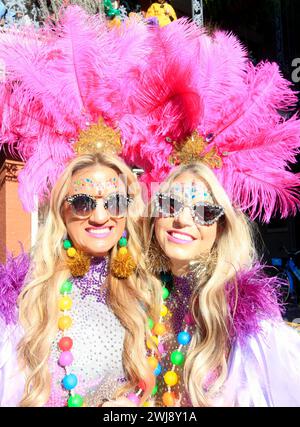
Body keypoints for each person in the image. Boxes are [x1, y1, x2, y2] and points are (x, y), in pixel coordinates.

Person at [0, 152, 160, 407]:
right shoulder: (25, 296)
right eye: (83, 202)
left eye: (115, 202)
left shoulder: (145, 291)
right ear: (62, 212)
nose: (99, 217)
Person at [140, 161, 300, 406]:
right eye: (170, 204)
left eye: (204, 211)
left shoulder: (242, 313)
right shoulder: (144, 293)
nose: (182, 219)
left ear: (221, 226)